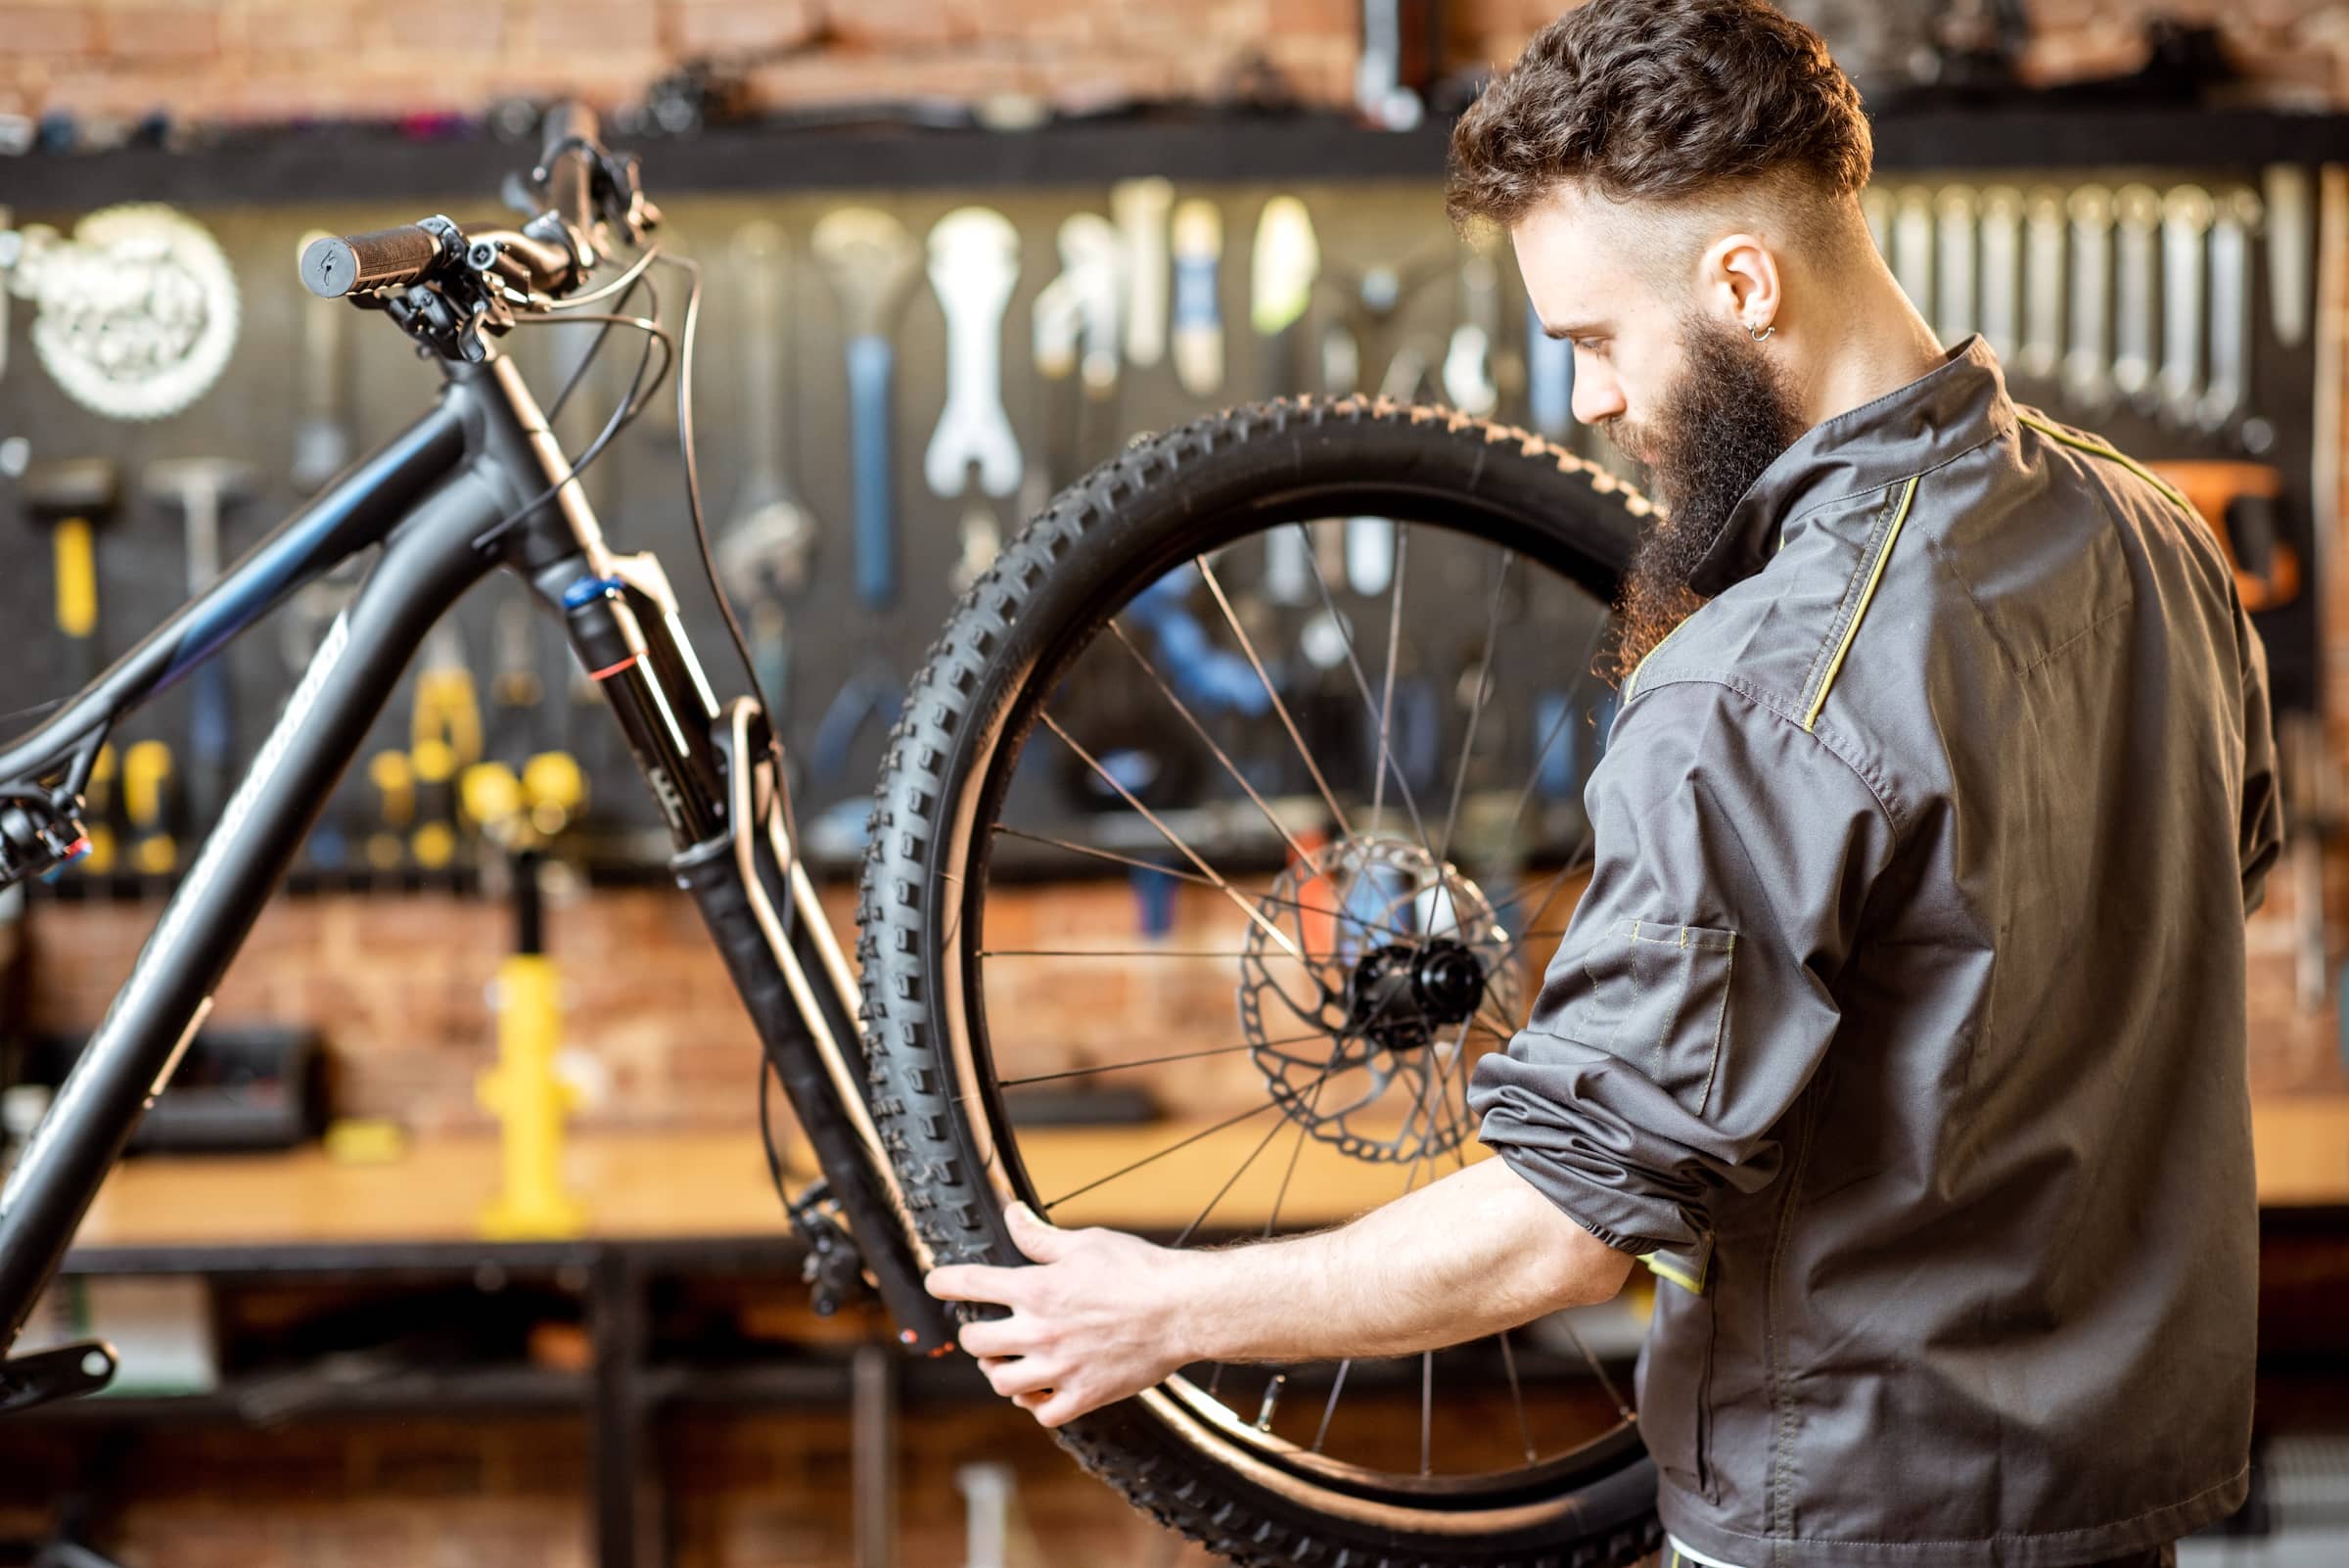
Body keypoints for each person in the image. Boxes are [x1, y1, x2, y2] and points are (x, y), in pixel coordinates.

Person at [923, 3, 2283, 1564]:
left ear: (1741, 283)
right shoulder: (2157, 540)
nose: (1583, 402)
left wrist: (1166, 1304)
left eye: (1592, 341)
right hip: (2129, 1509)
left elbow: (1558, 1235)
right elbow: (2169, 917)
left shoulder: (1759, 680)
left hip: (1847, 1519)